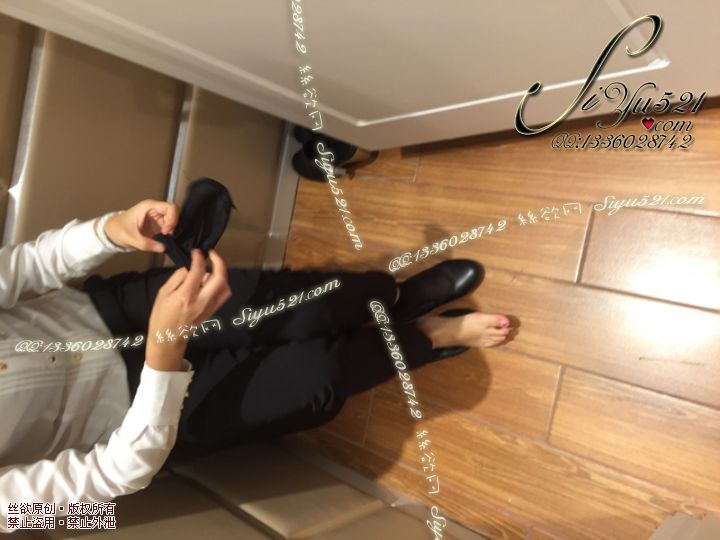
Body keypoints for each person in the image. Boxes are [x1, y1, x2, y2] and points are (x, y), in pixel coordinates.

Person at [0, 199, 511, 532]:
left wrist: (110, 230)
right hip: (137, 418)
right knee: (319, 377)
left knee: (311, 303)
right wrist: (163, 354)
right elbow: (107, 486)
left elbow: (29, 264)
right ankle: (425, 337)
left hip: (107, 311)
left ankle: (394, 298)